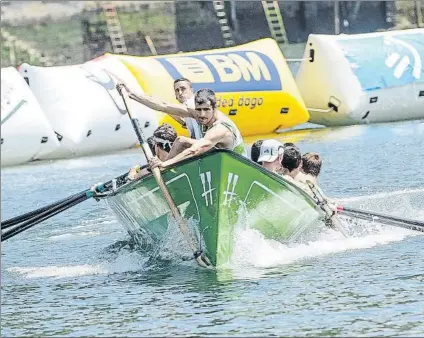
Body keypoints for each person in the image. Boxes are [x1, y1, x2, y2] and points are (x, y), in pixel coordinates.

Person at [117, 84, 247, 168]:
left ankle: (163, 167)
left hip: (236, 166)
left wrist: (165, 163)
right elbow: (163, 106)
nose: (202, 115)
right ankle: (163, 174)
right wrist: (131, 94)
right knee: (181, 141)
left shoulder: (220, 129)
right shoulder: (198, 114)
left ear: (215, 108)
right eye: (199, 110)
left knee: (187, 149)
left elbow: (196, 149)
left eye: (206, 110)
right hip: (216, 161)